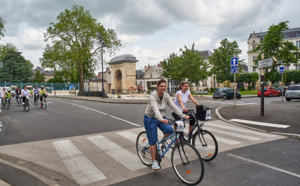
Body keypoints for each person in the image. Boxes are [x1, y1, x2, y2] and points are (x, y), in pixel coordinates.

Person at [144, 79, 189, 170]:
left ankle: (163, 142)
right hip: (150, 118)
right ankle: (153, 161)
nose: (163, 88)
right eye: (161, 86)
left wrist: (183, 115)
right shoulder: (152, 96)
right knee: (153, 140)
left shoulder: (166, 95)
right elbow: (155, 109)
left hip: (162, 117)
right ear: (157, 87)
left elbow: (173, 106)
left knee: (169, 129)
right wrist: (161, 119)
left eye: (165, 86)